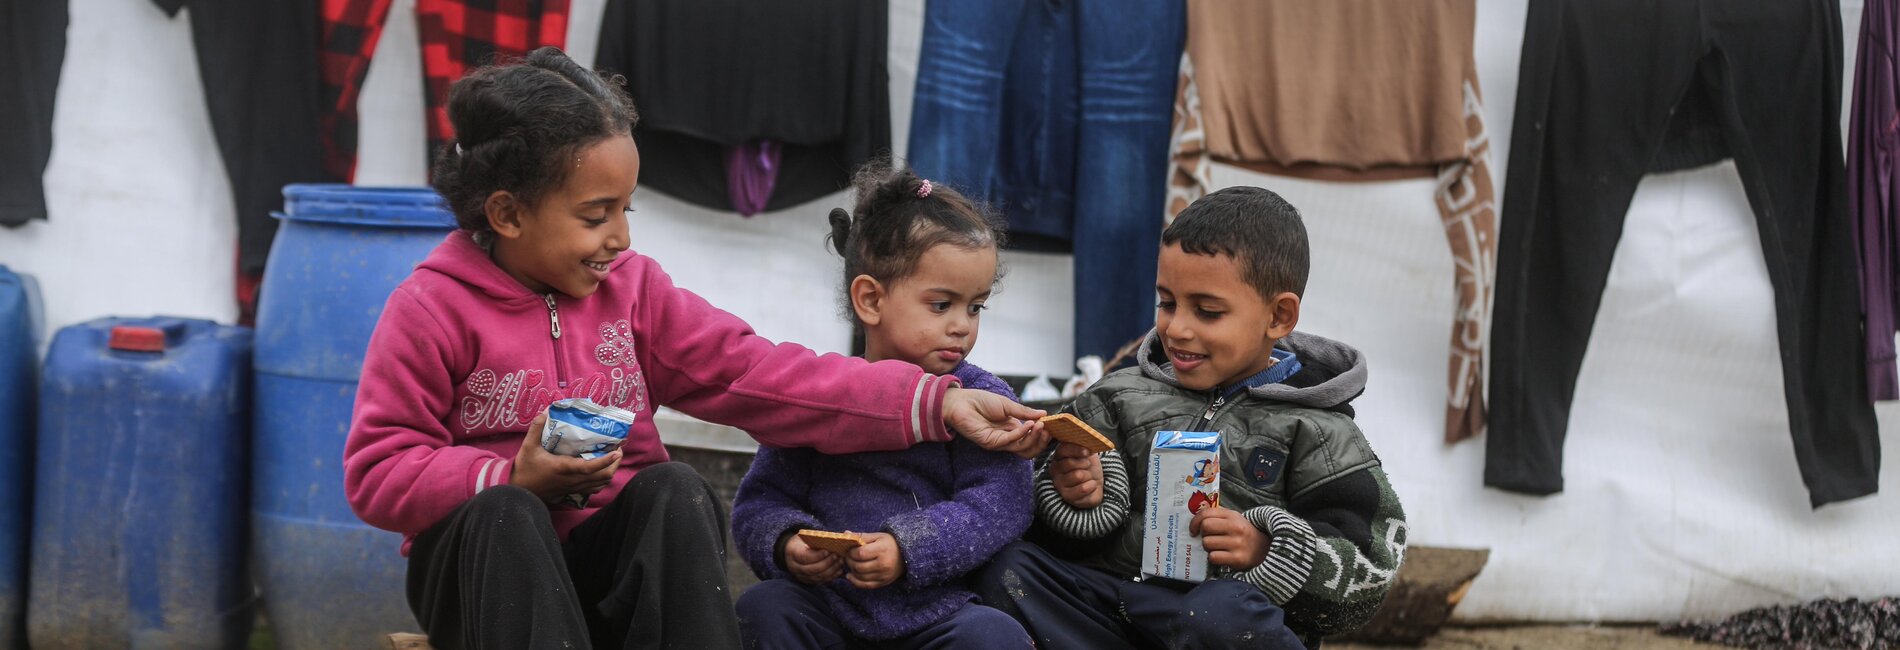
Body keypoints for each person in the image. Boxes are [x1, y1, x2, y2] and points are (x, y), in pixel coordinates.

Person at [342, 47, 1046, 649]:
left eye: (627, 209)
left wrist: (937, 403)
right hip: (485, 586)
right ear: (508, 213)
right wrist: (507, 480)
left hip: (603, 571)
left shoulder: (634, 291)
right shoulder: (429, 309)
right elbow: (376, 474)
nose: (621, 237)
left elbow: (762, 377)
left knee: (676, 488)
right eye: (596, 215)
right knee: (508, 515)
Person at [976, 186, 1407, 648]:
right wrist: (1078, 497)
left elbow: (1371, 573)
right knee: (1009, 570)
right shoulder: (1118, 396)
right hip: (1109, 609)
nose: (1178, 328)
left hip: (1213, 624)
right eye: (1167, 303)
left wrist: (1270, 551)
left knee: (1221, 613)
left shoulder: (1321, 432)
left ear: (1279, 316)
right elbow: (1042, 520)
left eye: (1207, 311)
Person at [730, 165, 1034, 648]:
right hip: (826, 608)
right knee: (762, 608)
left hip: (936, 614)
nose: (962, 326)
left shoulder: (983, 399)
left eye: (975, 307)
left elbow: (1002, 503)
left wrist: (908, 548)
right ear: (871, 299)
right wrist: (789, 543)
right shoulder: (824, 394)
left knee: (993, 636)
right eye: (942, 305)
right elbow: (759, 503)